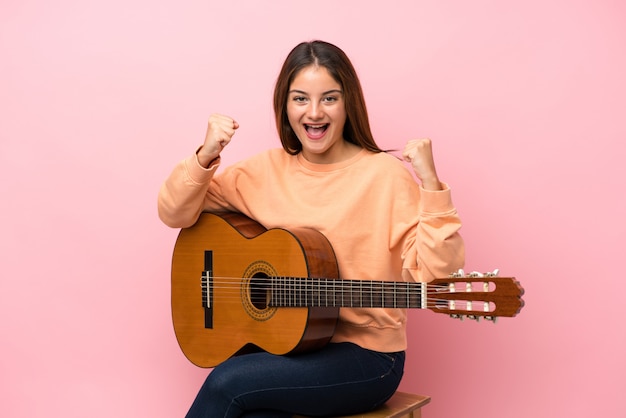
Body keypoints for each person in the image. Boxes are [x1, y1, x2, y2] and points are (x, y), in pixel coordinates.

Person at [158, 40, 465, 418]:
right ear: (284, 107)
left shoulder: (385, 177)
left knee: (228, 382)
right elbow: (175, 212)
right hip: (291, 349)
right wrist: (205, 156)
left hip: (368, 359)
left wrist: (432, 185)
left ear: (348, 103)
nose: (315, 113)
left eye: (330, 99)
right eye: (300, 98)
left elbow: (439, 276)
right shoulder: (262, 172)